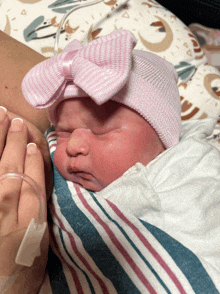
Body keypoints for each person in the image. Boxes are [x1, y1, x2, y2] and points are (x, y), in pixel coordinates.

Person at [21, 30, 182, 192]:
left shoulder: (184, 179)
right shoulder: (46, 170)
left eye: (100, 131)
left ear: (163, 142)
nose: (73, 146)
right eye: (64, 133)